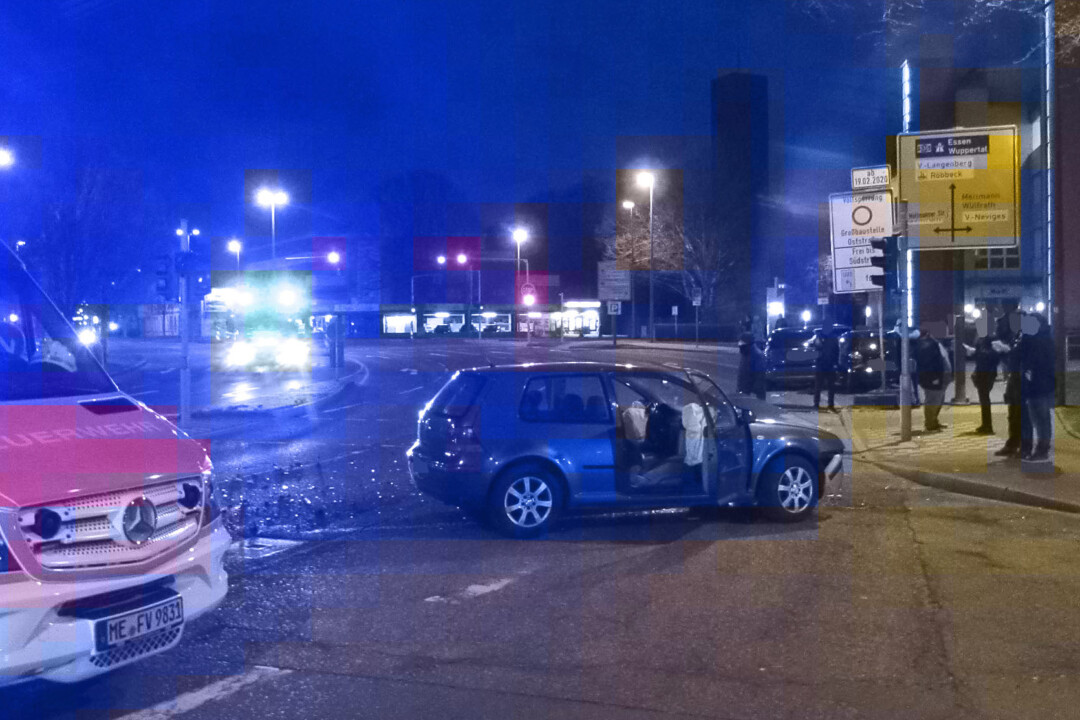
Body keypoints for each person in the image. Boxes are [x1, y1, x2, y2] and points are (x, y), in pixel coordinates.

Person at [1020, 312, 1055, 462]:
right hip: (1040, 383)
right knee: (1041, 417)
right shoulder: (1042, 338)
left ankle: (1042, 449)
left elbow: (1037, 362)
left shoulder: (1038, 341)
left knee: (1040, 418)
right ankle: (1042, 447)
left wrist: (1029, 373)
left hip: (1038, 384)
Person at [993, 310, 1027, 458]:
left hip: (1023, 380)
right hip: (1015, 378)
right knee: (1013, 414)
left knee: (1021, 415)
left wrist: (1008, 350)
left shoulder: (1028, 336)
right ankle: (1013, 444)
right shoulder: (1018, 335)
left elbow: (1024, 356)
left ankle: (1022, 446)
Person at [916, 328, 951, 432]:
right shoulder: (927, 346)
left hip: (940, 376)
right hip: (934, 378)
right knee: (932, 401)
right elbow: (930, 364)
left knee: (938, 400)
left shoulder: (933, 344)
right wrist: (935, 377)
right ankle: (930, 425)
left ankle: (934, 421)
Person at [971, 334, 999, 434]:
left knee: (985, 399)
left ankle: (988, 426)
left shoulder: (991, 338)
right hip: (983, 373)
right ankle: (985, 425)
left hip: (987, 374)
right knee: (984, 399)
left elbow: (992, 356)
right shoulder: (981, 338)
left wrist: (975, 352)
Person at [813, 329, 840, 412]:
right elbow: (836, 351)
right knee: (822, 386)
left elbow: (836, 351)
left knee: (827, 386)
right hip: (824, 365)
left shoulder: (823, 337)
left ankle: (827, 404)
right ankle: (820, 404)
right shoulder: (821, 337)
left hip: (826, 365)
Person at [736, 332, 766, 401]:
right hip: (745, 391)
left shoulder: (757, 356)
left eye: (742, 343)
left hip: (752, 394)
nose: (740, 346)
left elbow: (760, 377)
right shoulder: (745, 354)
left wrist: (755, 394)